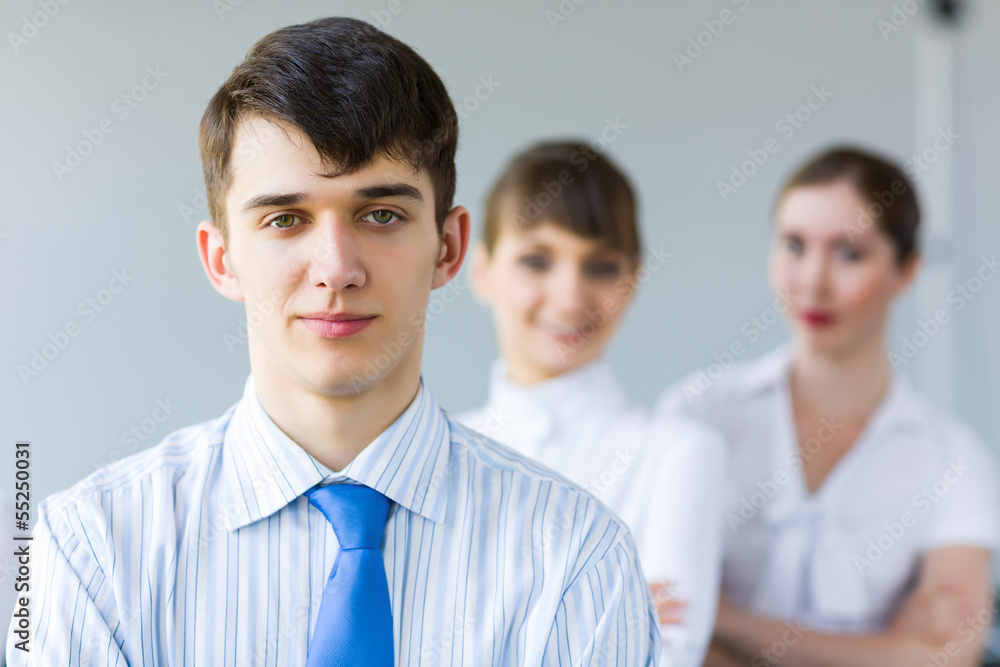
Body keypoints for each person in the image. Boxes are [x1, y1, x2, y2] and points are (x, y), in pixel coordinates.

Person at [8, 18, 661, 665]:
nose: (336, 267)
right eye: (285, 219)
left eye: (381, 215)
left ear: (450, 247)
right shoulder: (85, 550)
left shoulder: (577, 555)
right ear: (222, 258)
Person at [657, 146, 1000, 666]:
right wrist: (883, 650)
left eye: (849, 254)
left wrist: (728, 620)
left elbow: (945, 657)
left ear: (906, 269)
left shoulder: (955, 459)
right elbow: (662, 628)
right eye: (794, 246)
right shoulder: (700, 414)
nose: (812, 282)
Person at [457, 141, 727, 667]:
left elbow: (663, 658)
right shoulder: (431, 448)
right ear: (481, 270)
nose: (569, 297)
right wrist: (592, 623)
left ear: (632, 281)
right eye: (536, 260)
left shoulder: (679, 454)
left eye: (601, 267)